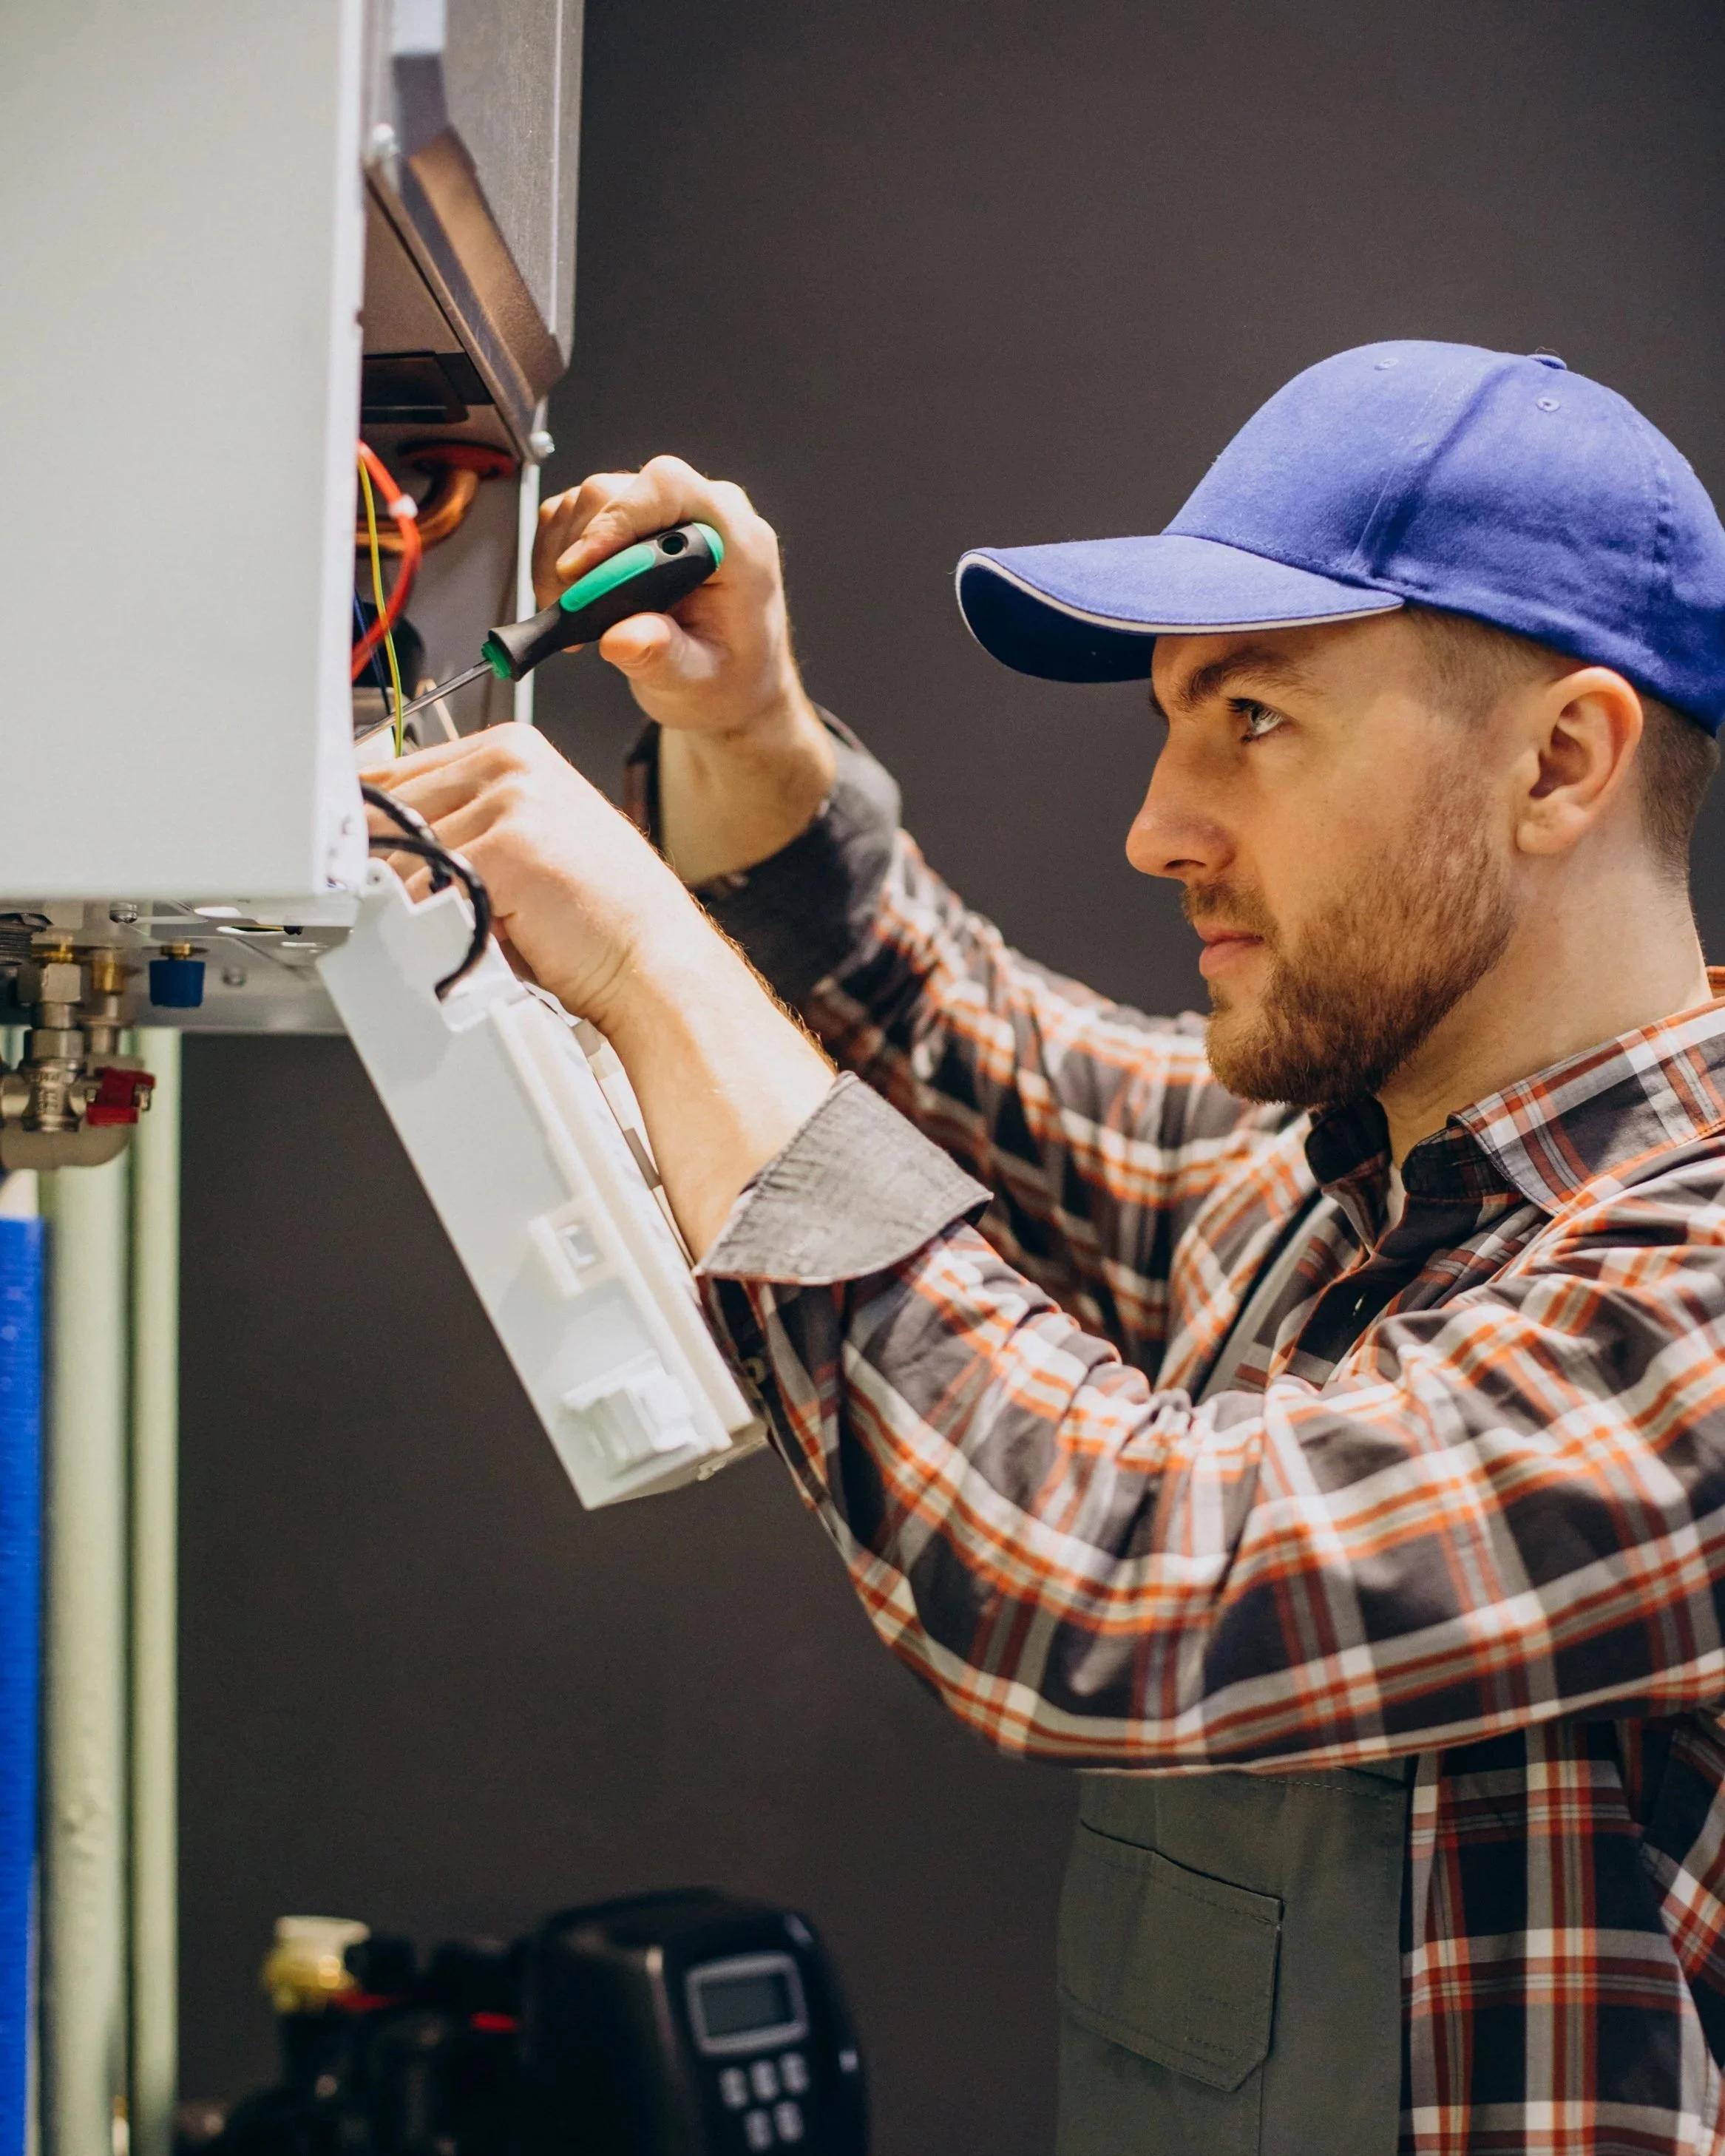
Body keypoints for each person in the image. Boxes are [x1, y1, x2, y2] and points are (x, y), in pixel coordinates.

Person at [371, 342, 1725, 2156]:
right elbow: (967, 1048)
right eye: (1168, 723)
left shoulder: (1689, 1293)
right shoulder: (1330, 1172)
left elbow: (1121, 1574)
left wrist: (645, 966)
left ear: (1558, 760)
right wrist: (743, 736)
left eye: (1251, 720)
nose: (1156, 827)